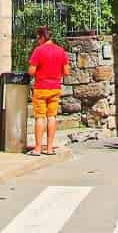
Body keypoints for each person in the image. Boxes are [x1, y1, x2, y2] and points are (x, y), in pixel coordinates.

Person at [27, 25, 69, 157]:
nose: (37, 40)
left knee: (40, 117)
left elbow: (31, 71)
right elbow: (66, 72)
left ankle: (38, 149)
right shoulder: (61, 51)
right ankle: (50, 148)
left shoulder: (38, 51)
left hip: (41, 88)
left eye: (38, 37)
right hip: (55, 88)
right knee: (52, 117)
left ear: (42, 37)